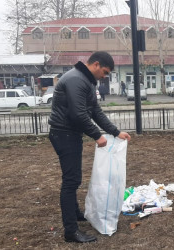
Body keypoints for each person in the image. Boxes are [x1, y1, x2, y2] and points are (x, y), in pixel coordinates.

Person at [48, 51, 131, 243]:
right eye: (104, 71)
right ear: (95, 65)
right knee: (71, 181)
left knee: (73, 178)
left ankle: (76, 214)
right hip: (64, 134)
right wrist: (96, 135)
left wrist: (115, 132)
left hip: (70, 134)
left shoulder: (86, 80)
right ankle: (71, 231)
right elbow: (78, 114)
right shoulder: (76, 80)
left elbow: (95, 111)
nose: (105, 76)